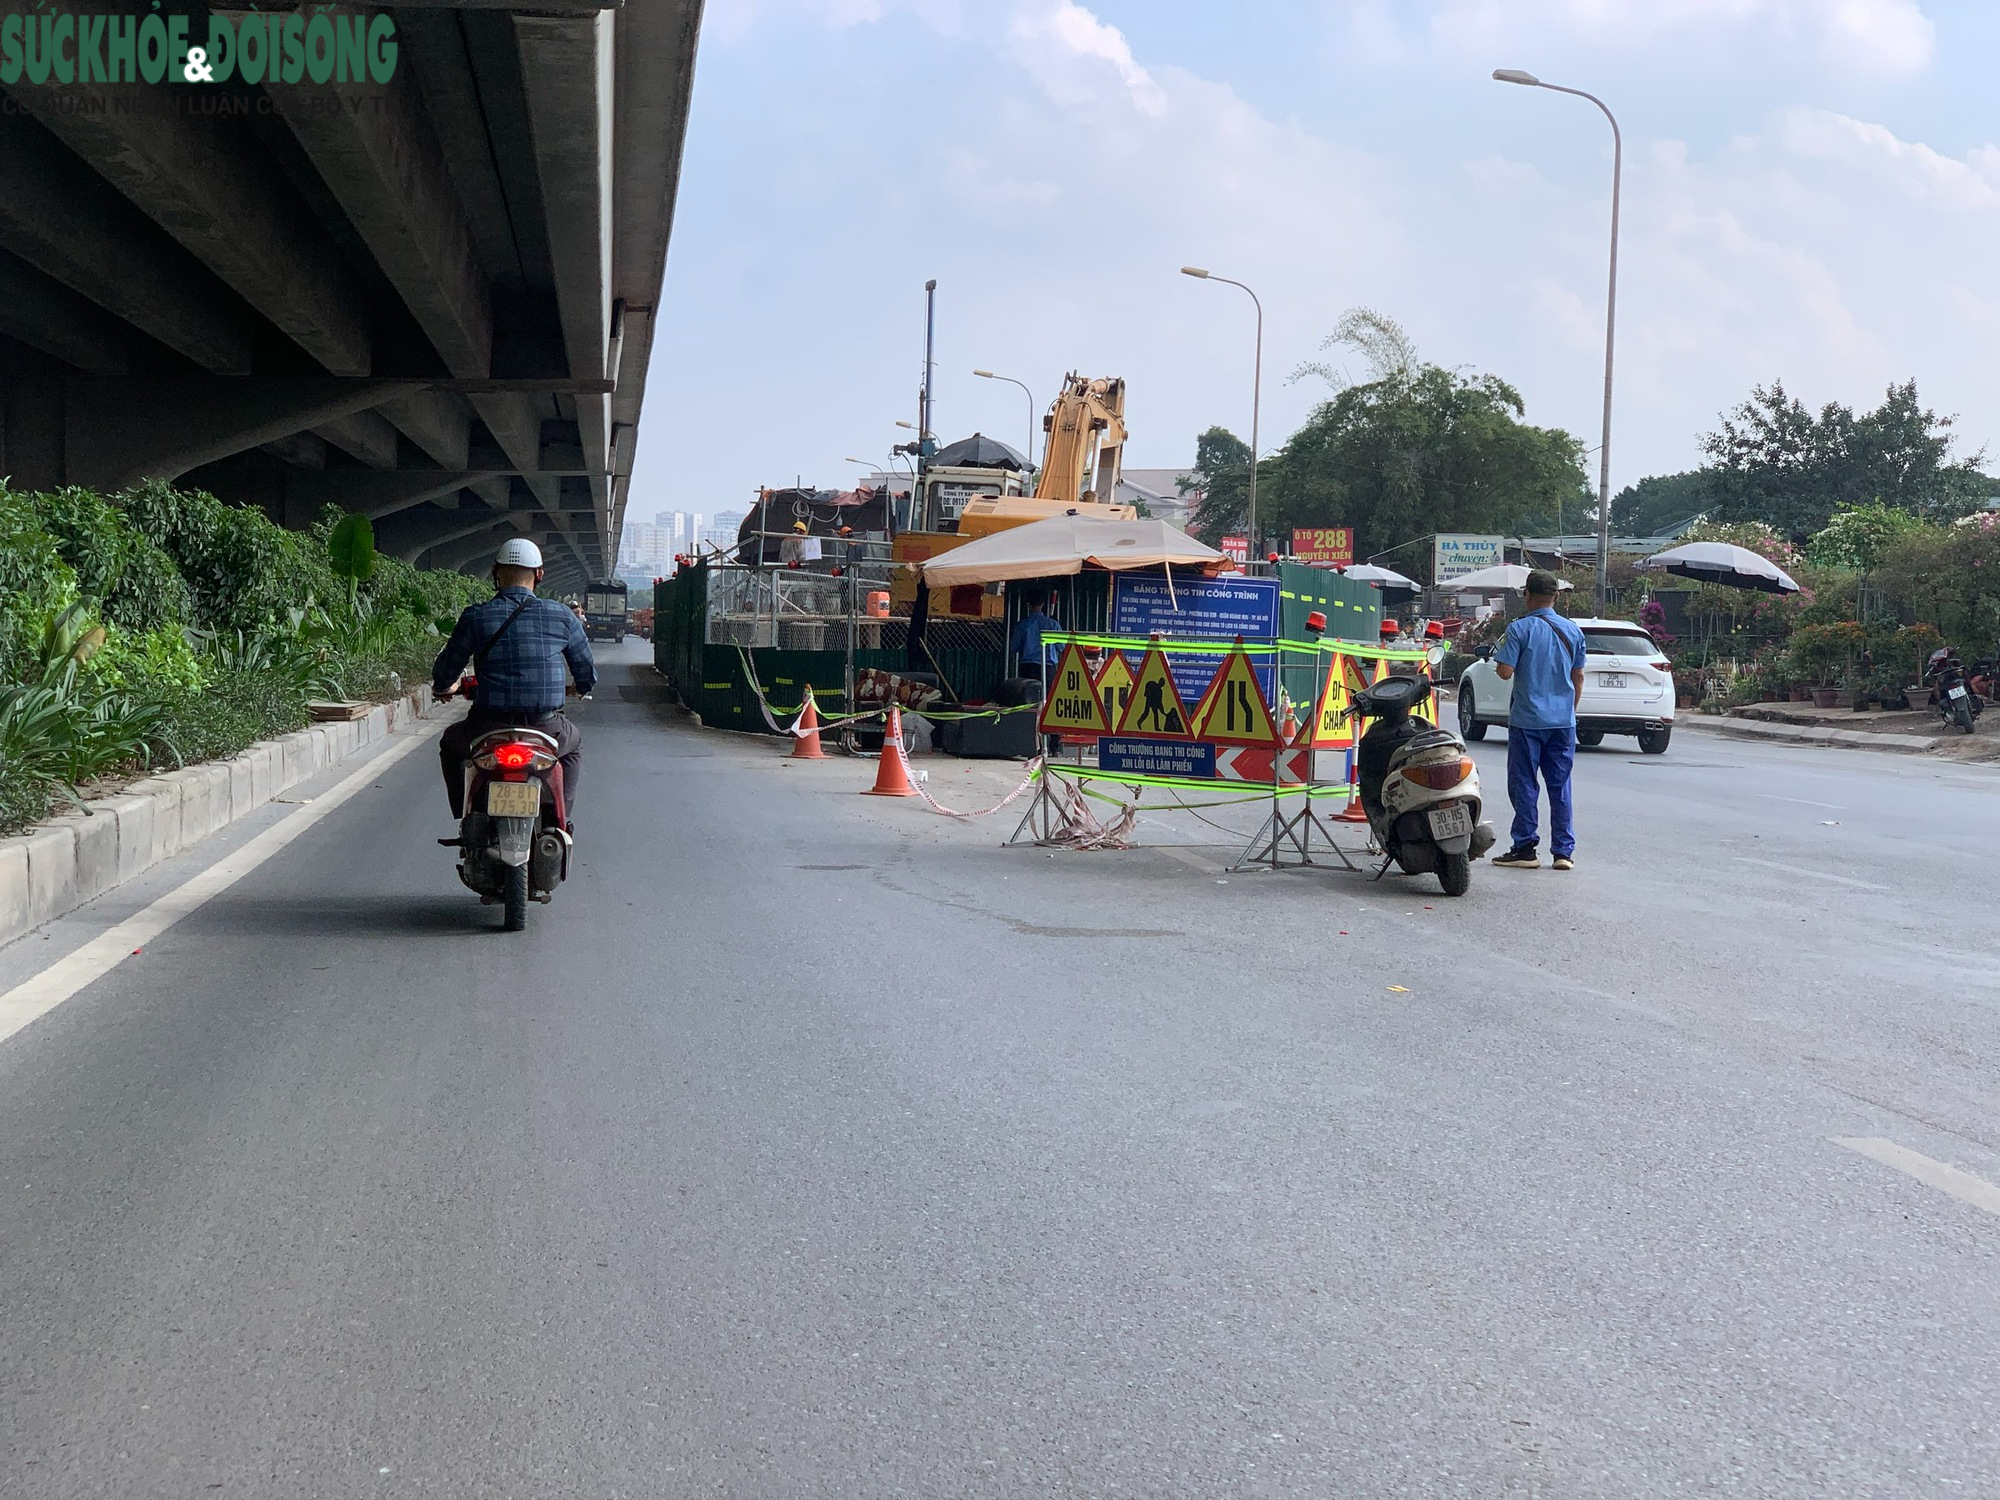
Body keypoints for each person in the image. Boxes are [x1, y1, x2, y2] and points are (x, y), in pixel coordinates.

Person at [433, 538, 596, 826]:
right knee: (575, 744)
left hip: (487, 726)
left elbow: (446, 670)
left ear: (497, 573)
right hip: (546, 726)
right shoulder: (561, 616)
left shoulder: (476, 616)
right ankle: (561, 821)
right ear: (539, 574)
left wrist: (445, 686)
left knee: (450, 742)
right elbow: (585, 671)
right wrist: (579, 688)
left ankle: (465, 818)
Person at [1490, 570, 1586, 871]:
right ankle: (1563, 852)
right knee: (1560, 786)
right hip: (1563, 722)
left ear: (1526, 595)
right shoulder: (1573, 631)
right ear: (1556, 597)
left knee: (1524, 784)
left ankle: (1525, 848)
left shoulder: (1520, 629)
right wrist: (1569, 709)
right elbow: (1578, 676)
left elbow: (1504, 671)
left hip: (1527, 721)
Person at [1010, 592, 1060, 679]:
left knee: (1029, 691)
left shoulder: (1022, 625)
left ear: (1028, 605)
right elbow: (1061, 647)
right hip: (1048, 668)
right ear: (1043, 604)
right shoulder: (1053, 624)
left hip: (1028, 668)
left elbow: (1014, 647)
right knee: (1049, 692)